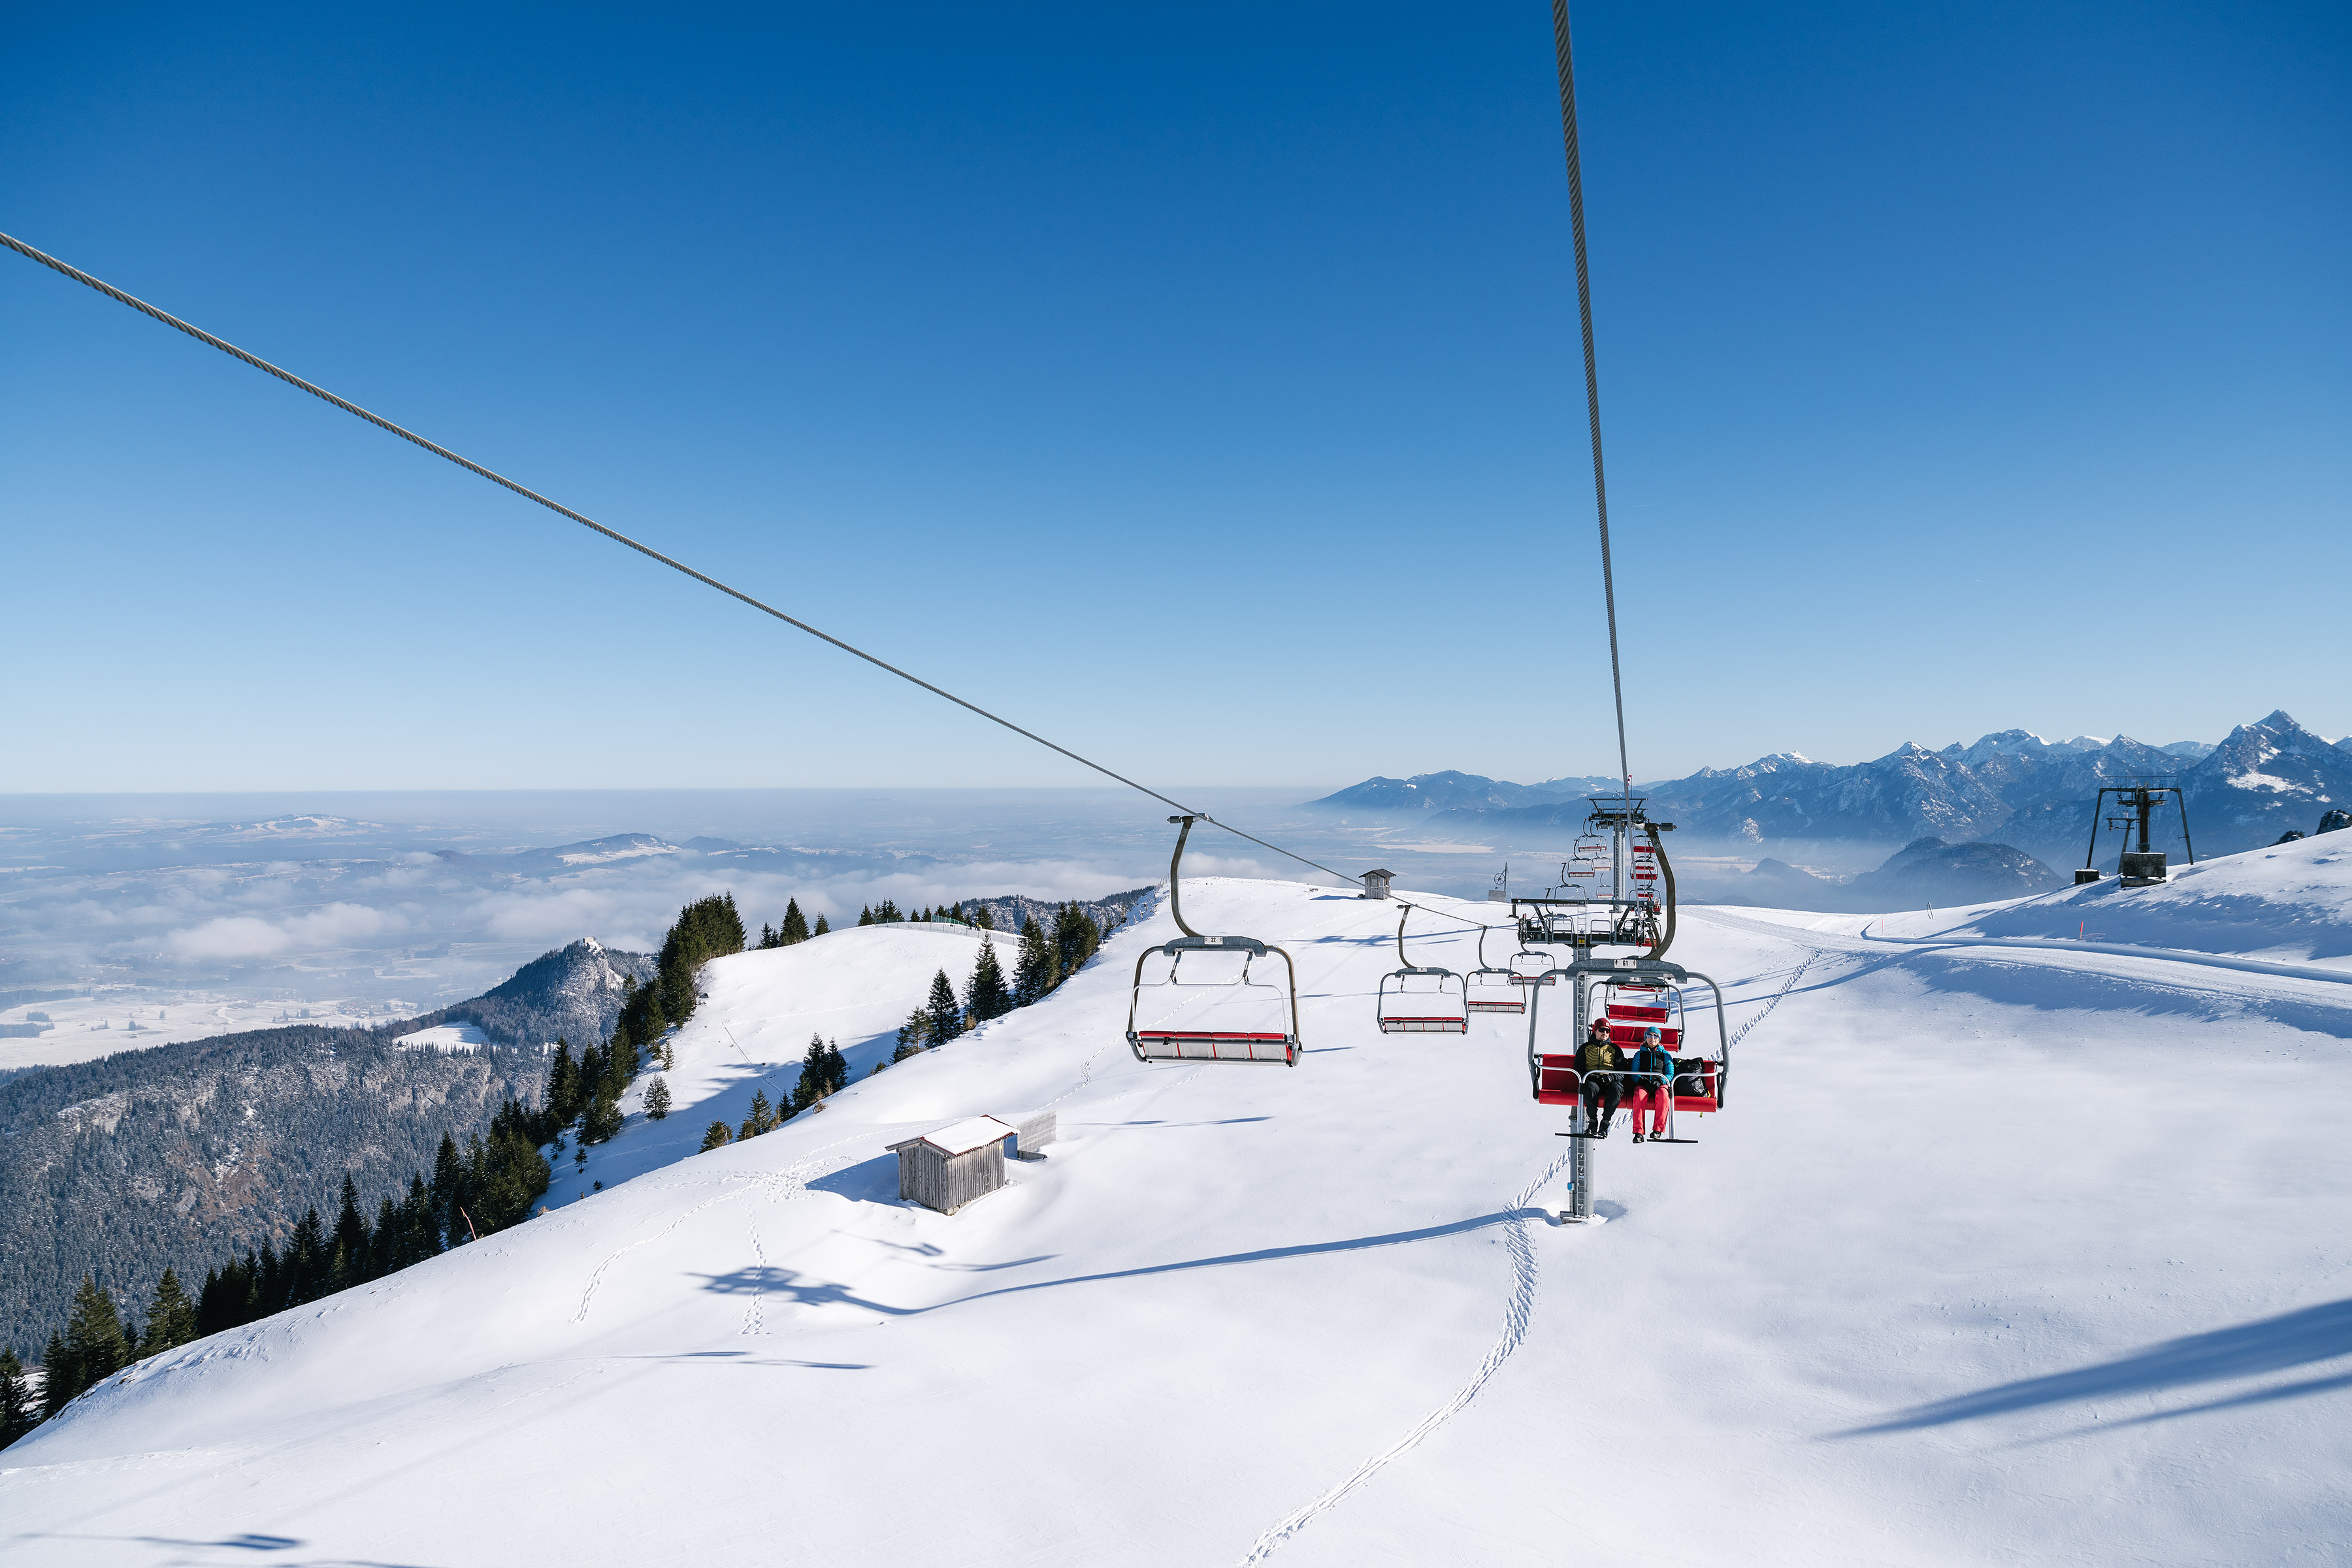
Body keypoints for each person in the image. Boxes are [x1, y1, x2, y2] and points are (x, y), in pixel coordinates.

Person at [1625, 1026, 1676, 1142]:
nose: (1652, 1039)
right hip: (1644, 1083)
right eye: (1649, 1036)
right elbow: (1634, 1073)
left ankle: (1658, 1130)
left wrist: (1661, 1081)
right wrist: (1643, 1081)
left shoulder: (1665, 1055)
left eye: (1655, 1036)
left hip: (1660, 1083)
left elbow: (1670, 1073)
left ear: (1659, 1039)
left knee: (1664, 1095)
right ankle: (1638, 1132)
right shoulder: (1640, 1055)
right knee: (1639, 1096)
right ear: (1645, 1038)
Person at [1577, 1018, 1625, 1137]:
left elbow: (1622, 1071)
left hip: (1610, 1081)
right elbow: (1579, 1069)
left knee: (1617, 1089)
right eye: (1602, 1030)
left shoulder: (1615, 1049)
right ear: (1595, 1031)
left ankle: (1605, 1123)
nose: (1605, 1033)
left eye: (1607, 1031)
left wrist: (1611, 1078)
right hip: (1593, 1080)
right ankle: (1593, 1122)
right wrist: (1593, 1077)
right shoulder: (1585, 1048)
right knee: (1589, 1087)